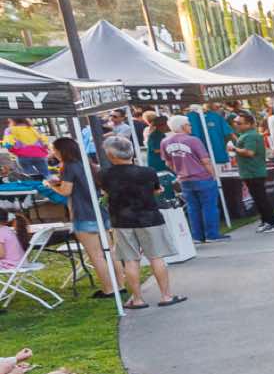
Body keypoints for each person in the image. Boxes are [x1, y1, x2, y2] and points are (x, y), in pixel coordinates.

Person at [98, 135, 184, 308]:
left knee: (130, 260)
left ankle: (137, 299)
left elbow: (106, 193)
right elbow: (156, 190)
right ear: (131, 152)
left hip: (121, 220)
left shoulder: (104, 175)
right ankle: (166, 296)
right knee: (156, 258)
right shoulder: (148, 172)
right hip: (149, 218)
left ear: (110, 155)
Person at [44, 135, 115, 294]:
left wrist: (51, 185)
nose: (53, 153)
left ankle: (108, 289)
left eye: (54, 150)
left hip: (83, 215)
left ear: (61, 150)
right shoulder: (87, 164)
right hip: (100, 212)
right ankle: (121, 285)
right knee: (110, 252)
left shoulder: (68, 166)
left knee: (96, 256)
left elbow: (66, 191)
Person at [158, 116, 225, 246]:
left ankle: (197, 236)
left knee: (193, 208)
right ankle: (212, 234)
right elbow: (205, 160)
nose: (190, 127)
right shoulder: (193, 140)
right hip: (202, 176)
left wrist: (179, 172)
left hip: (184, 179)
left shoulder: (165, 142)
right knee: (209, 206)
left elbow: (168, 162)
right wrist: (213, 175)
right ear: (183, 126)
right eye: (189, 124)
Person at [229, 112, 274, 233]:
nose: (236, 125)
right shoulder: (246, 135)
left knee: (261, 199)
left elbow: (249, 152)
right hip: (250, 172)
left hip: (254, 172)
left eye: (239, 123)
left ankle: (272, 223)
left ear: (249, 124)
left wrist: (234, 148)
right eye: (236, 123)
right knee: (258, 199)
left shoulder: (250, 136)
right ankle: (265, 221)